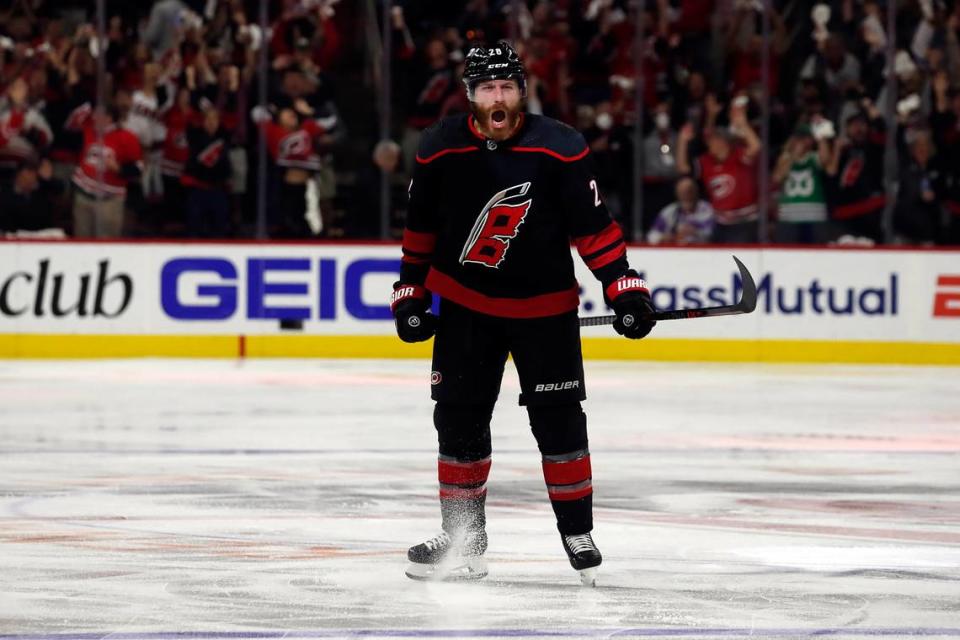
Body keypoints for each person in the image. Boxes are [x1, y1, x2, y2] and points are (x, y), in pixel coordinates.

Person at [390, 41, 656, 585]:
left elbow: (595, 230)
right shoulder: (439, 147)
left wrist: (624, 288)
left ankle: (577, 531)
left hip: (545, 310)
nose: (498, 97)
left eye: (507, 87)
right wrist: (410, 294)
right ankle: (464, 539)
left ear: (522, 93)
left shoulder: (560, 146)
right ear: (470, 96)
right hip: (466, 308)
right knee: (458, 422)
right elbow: (420, 232)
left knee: (559, 424)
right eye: (487, 88)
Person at [646, 176, 714, 245]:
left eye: (689, 191)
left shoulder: (708, 210)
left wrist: (695, 232)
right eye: (682, 192)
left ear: (696, 192)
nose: (686, 196)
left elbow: (714, 236)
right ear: (677, 193)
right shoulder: (670, 212)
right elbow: (651, 236)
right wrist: (665, 237)